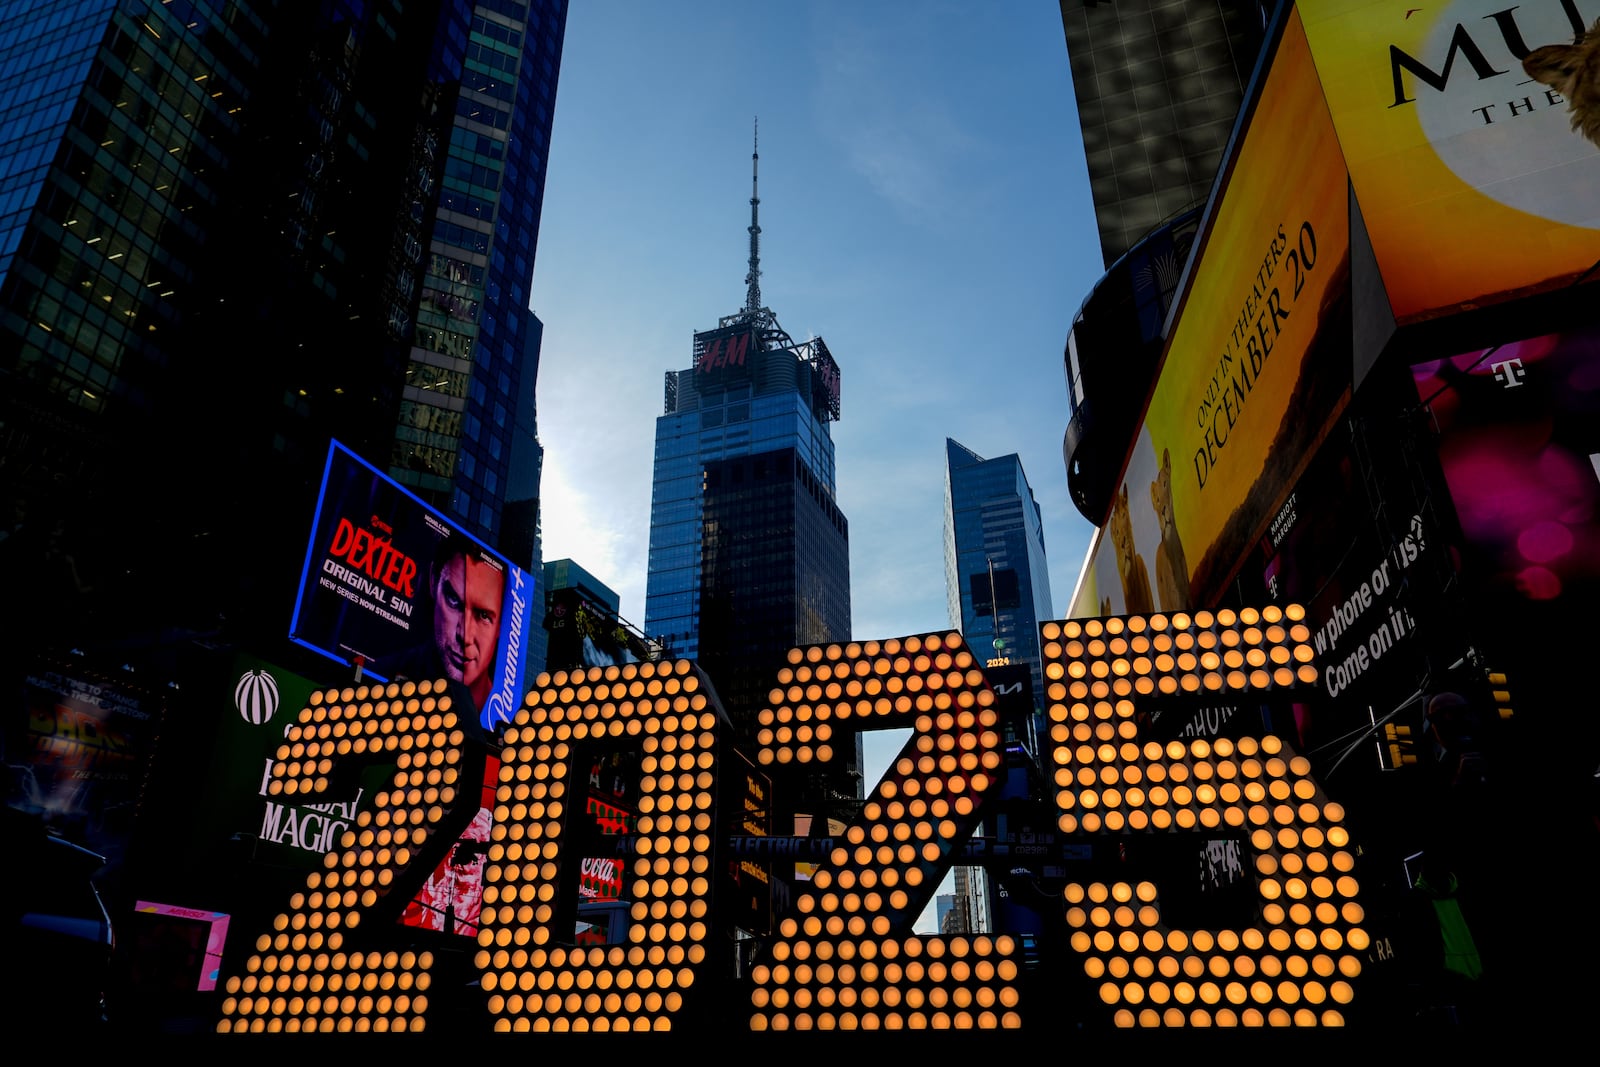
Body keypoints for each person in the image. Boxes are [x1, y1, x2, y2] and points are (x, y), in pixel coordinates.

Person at [428, 535, 505, 713]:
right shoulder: (384, 669)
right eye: (453, 600)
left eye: (484, 615)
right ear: (433, 582)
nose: (465, 635)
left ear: (501, 625)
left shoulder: (502, 714)